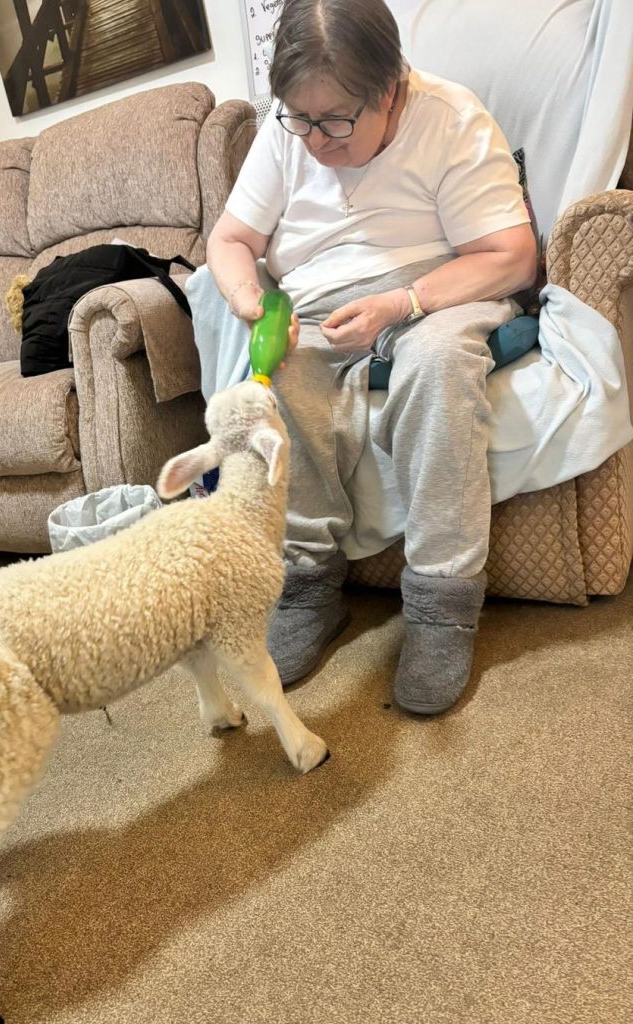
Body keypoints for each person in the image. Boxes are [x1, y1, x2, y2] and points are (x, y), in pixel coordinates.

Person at [197, 0, 538, 713]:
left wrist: (401, 305)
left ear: (390, 89)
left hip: (436, 297)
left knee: (437, 364)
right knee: (277, 379)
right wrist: (251, 304)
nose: (314, 141)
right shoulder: (288, 130)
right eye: (300, 118)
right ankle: (309, 587)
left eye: (335, 121)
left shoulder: (450, 119)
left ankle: (441, 605)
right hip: (317, 309)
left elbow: (509, 256)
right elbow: (229, 241)